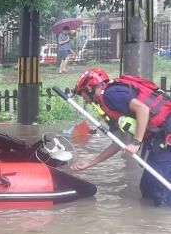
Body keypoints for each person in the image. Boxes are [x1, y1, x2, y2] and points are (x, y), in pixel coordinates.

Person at [71, 68, 171, 207]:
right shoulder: (108, 104)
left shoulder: (110, 95)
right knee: (148, 188)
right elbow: (120, 142)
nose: (84, 99)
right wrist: (91, 163)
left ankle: (161, 223)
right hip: (159, 137)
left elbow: (143, 109)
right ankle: (147, 225)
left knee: (160, 192)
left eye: (82, 94)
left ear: (89, 87)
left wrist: (136, 143)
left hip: (166, 135)